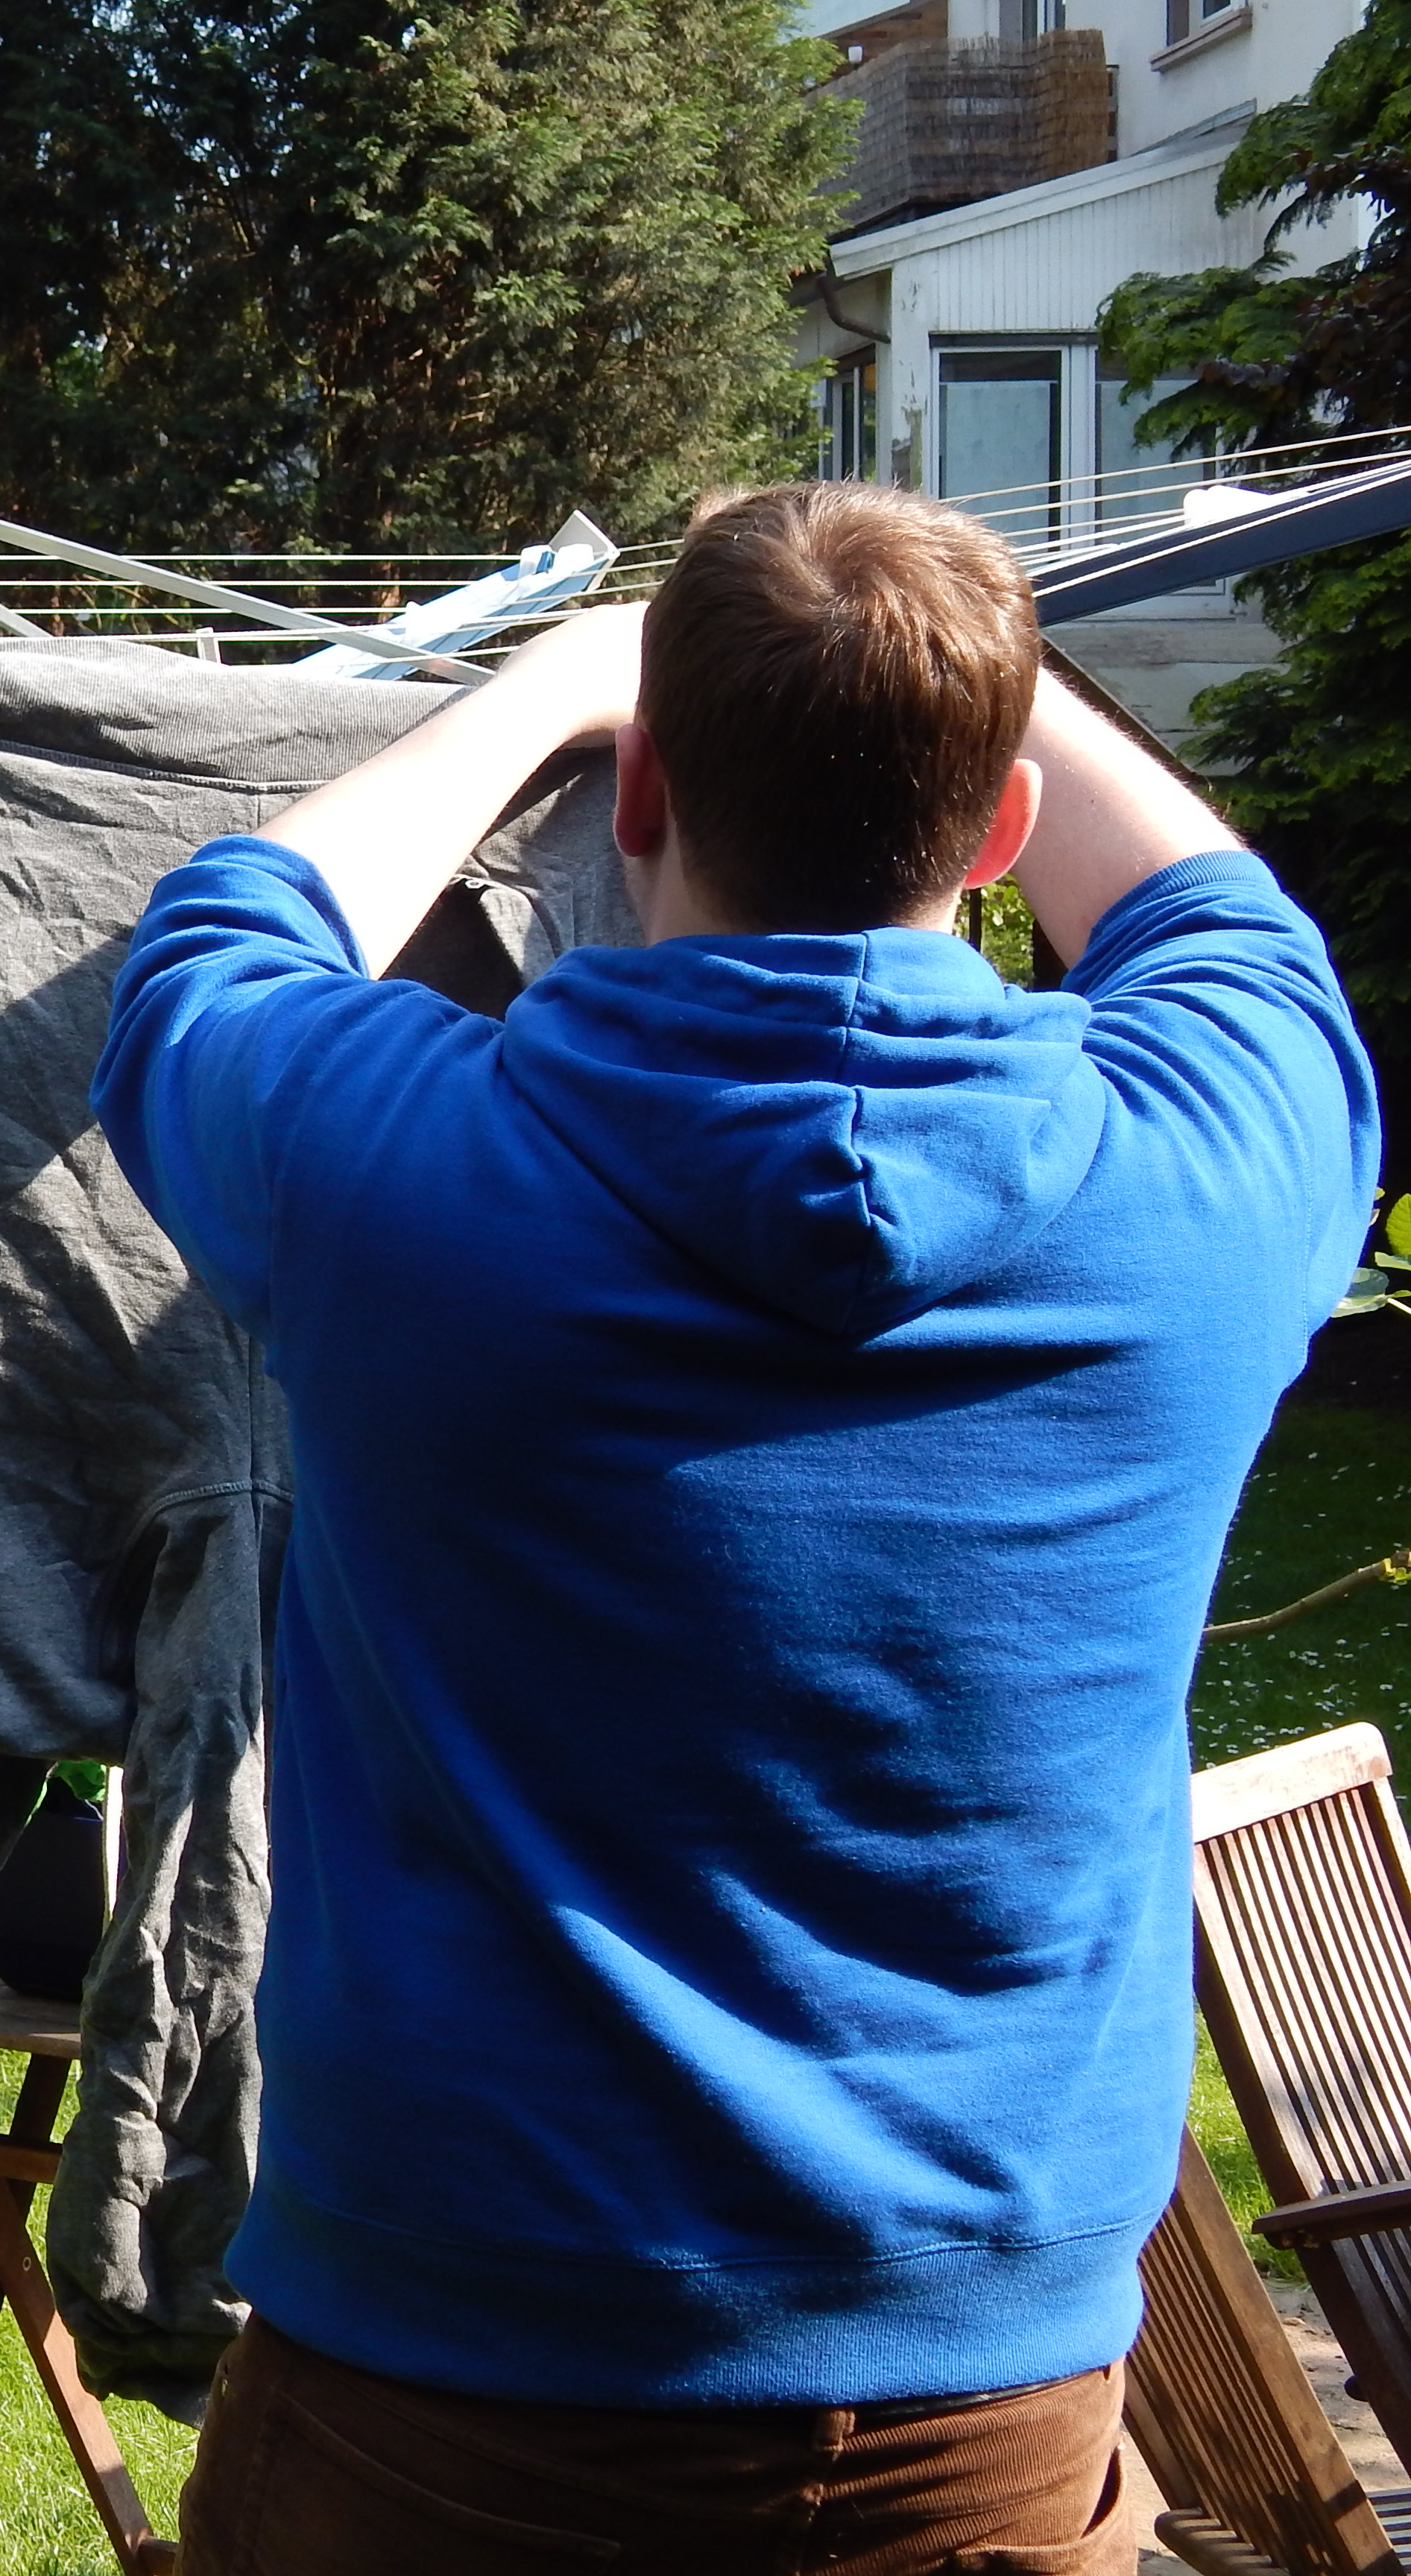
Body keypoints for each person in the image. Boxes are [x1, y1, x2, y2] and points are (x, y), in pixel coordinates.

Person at [92, 482, 1380, 2575]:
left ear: (643, 793)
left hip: (438, 2406)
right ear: (991, 832)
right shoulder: (1204, 1185)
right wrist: (951, 676)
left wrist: (558, 686)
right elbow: (1228, 924)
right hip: (984, 2413)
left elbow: (219, 935)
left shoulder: (395, 1174)